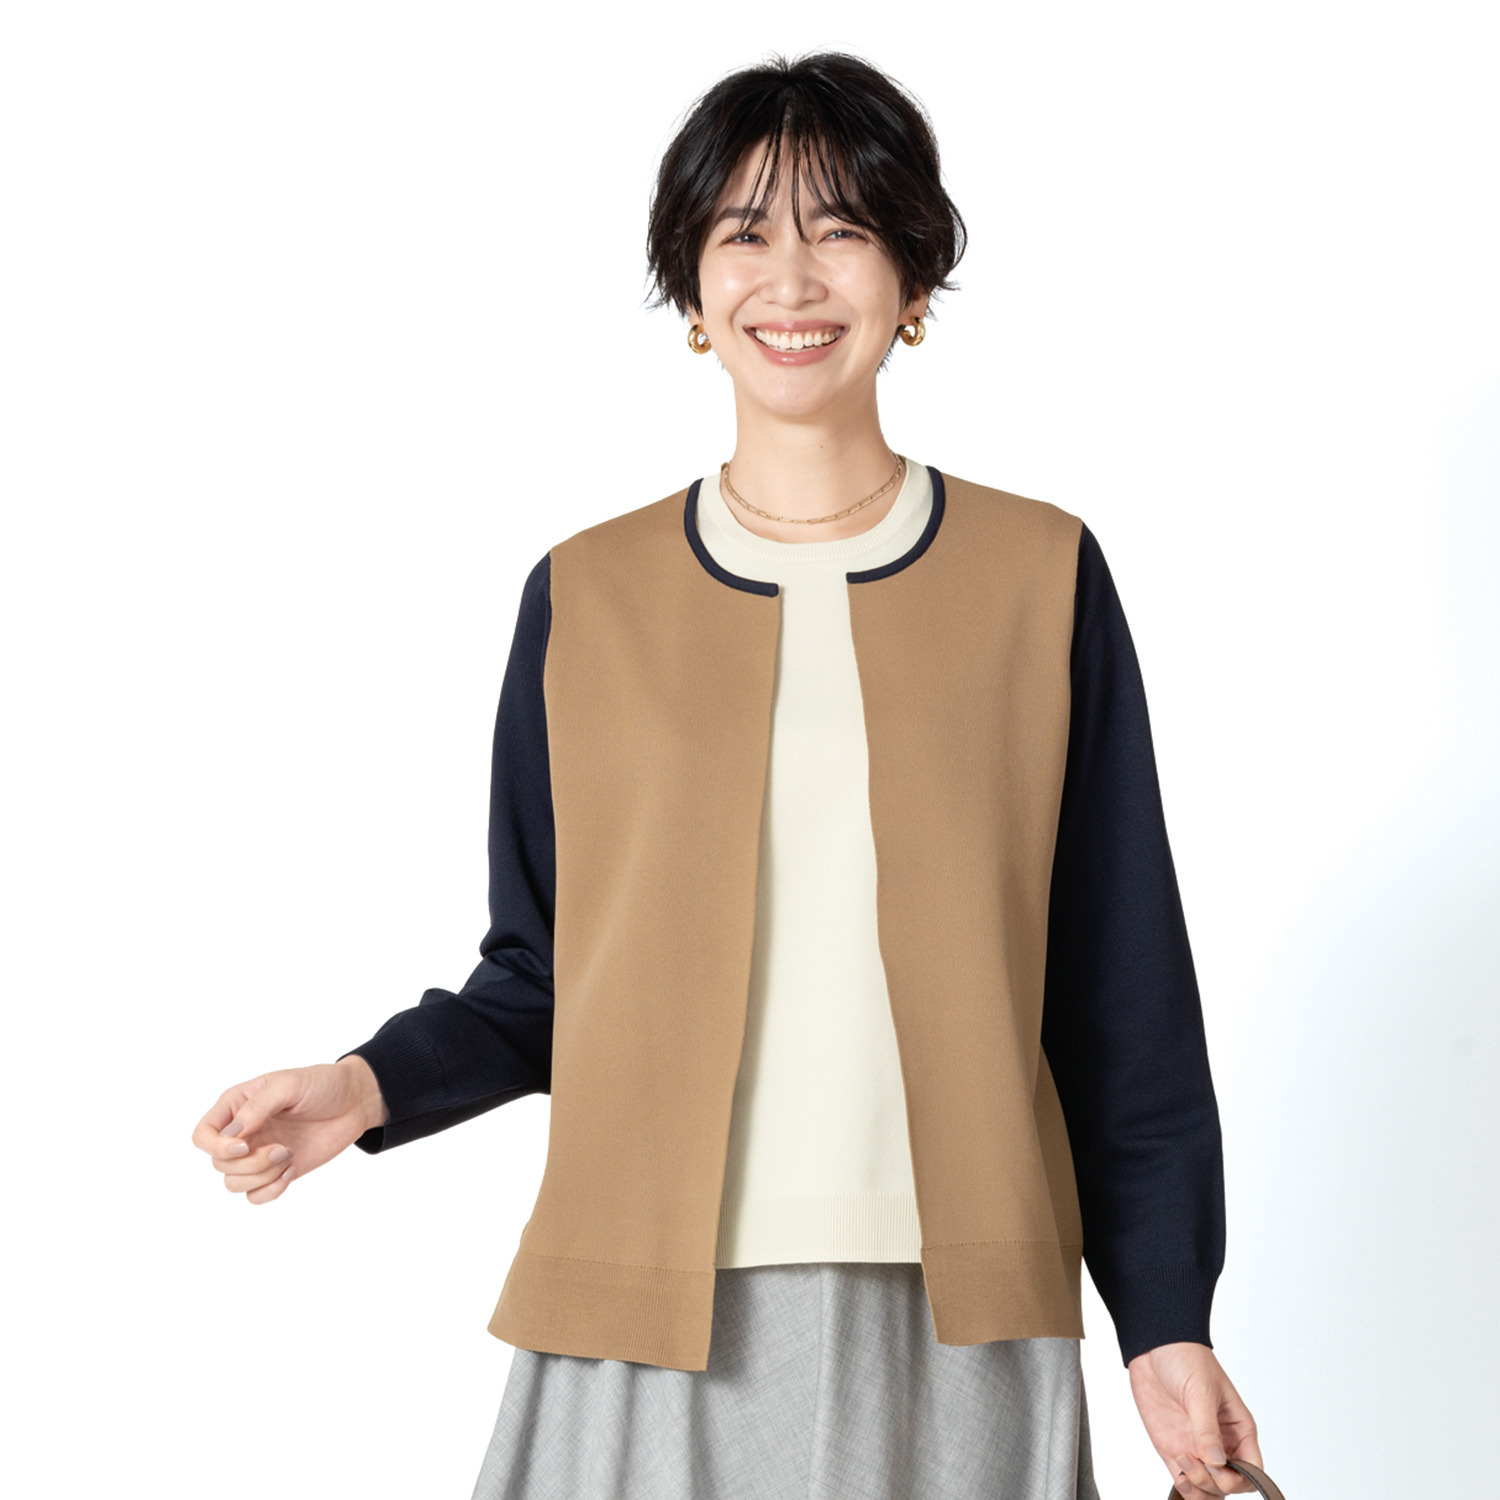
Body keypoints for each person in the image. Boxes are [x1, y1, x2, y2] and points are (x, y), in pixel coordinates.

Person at [193, 50, 1265, 1500]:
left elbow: (1119, 991)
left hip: (960, 1316)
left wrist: (1167, 1317)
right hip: (646, 1310)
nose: (793, 277)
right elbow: (547, 970)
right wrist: (366, 1085)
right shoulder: (588, 597)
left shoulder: (1042, 576)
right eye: (745, 232)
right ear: (693, 293)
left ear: (913, 276)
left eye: (842, 227)